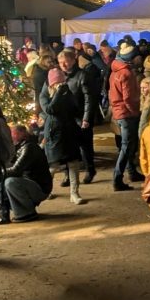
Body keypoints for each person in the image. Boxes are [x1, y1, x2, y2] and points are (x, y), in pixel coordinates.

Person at [41, 68, 85, 205]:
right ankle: (45, 191)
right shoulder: (46, 94)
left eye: (62, 82)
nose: (61, 85)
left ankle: (74, 193)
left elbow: (76, 109)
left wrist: (66, 93)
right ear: (52, 84)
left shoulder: (67, 93)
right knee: (53, 165)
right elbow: (50, 110)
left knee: (73, 163)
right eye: (58, 83)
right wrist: (59, 93)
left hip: (69, 131)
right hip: (54, 133)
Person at [0, 125, 54, 223]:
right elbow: (9, 166)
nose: (10, 136)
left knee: (10, 182)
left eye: (12, 133)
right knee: (1, 181)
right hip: (31, 184)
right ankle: (4, 215)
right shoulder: (20, 146)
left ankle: (26, 213)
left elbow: (16, 170)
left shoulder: (29, 147)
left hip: (40, 188)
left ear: (21, 134)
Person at [110, 44, 142, 191]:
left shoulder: (115, 71)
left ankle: (131, 172)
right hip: (126, 113)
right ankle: (117, 178)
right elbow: (128, 98)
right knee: (127, 146)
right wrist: (135, 111)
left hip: (118, 111)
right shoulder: (127, 74)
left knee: (127, 145)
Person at [76, 52, 103, 183]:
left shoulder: (85, 74)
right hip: (73, 114)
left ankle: (89, 169)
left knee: (85, 144)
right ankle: (69, 173)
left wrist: (86, 117)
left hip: (82, 114)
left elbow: (89, 98)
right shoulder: (67, 75)